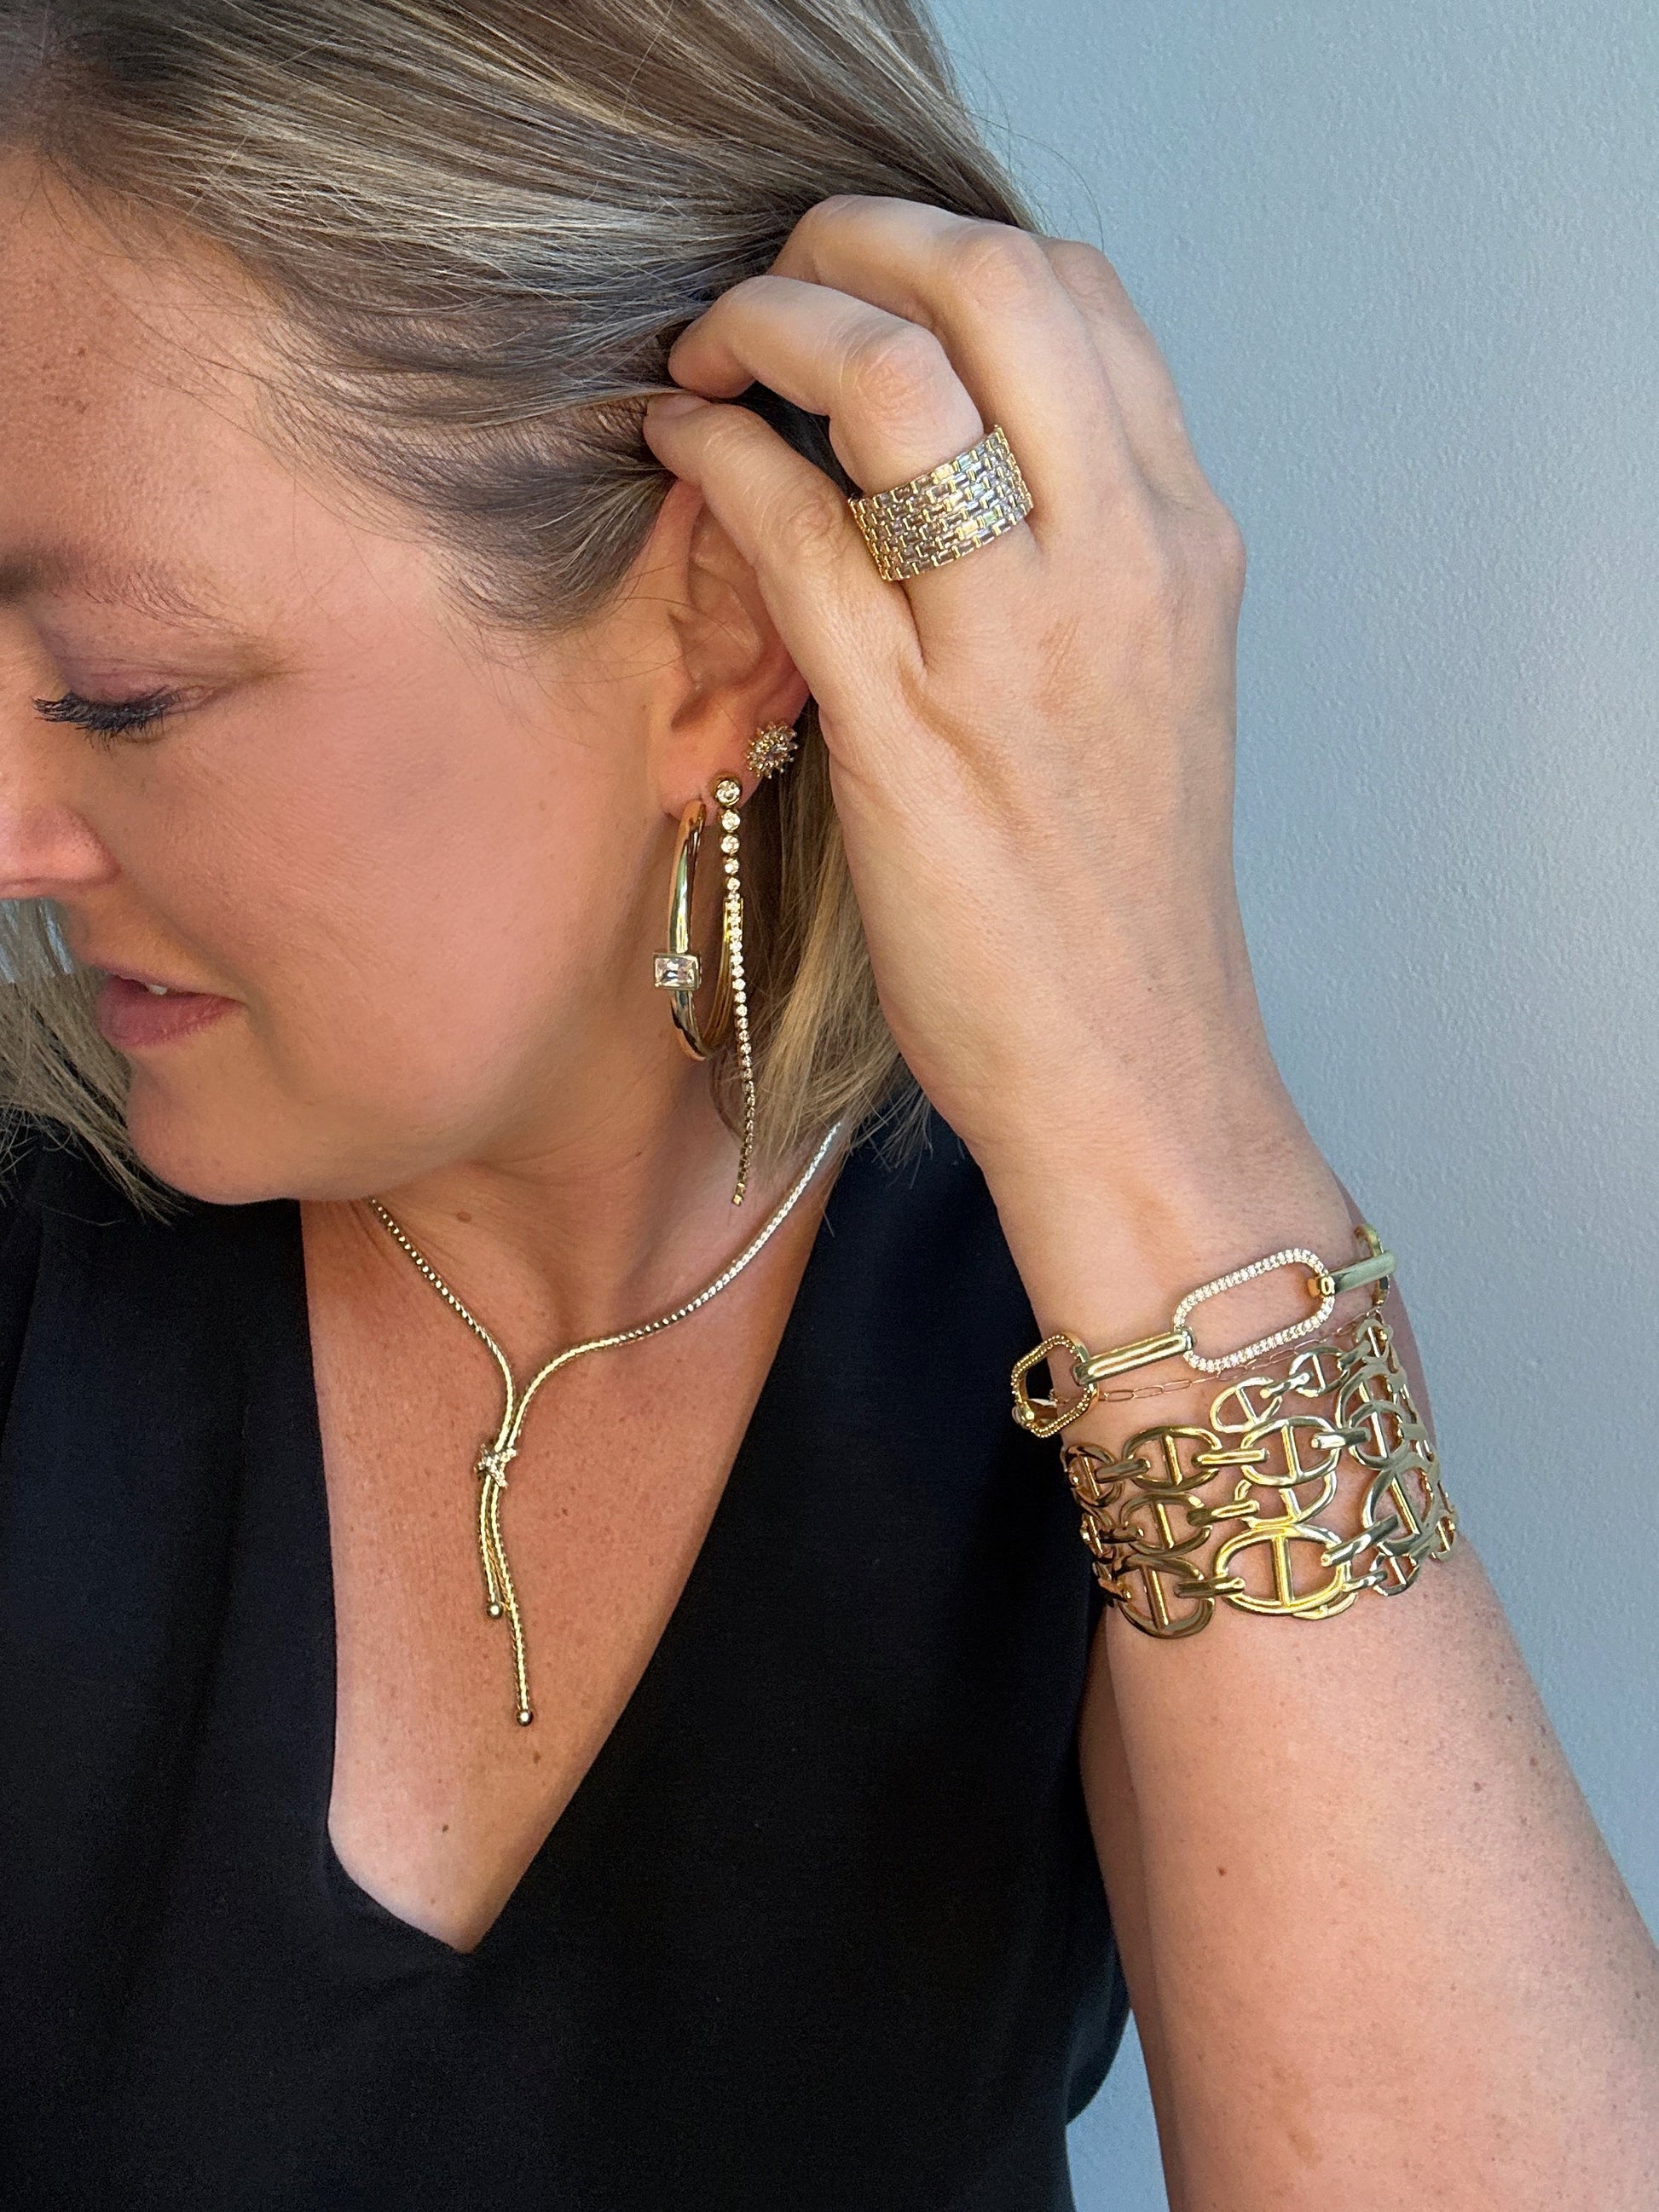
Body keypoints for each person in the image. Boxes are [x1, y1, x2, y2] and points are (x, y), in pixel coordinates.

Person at [0, 2, 1653, 2206]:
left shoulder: (1137, 1333)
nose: (10, 829)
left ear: (720, 623)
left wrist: (1149, 1093)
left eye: (121, 690)